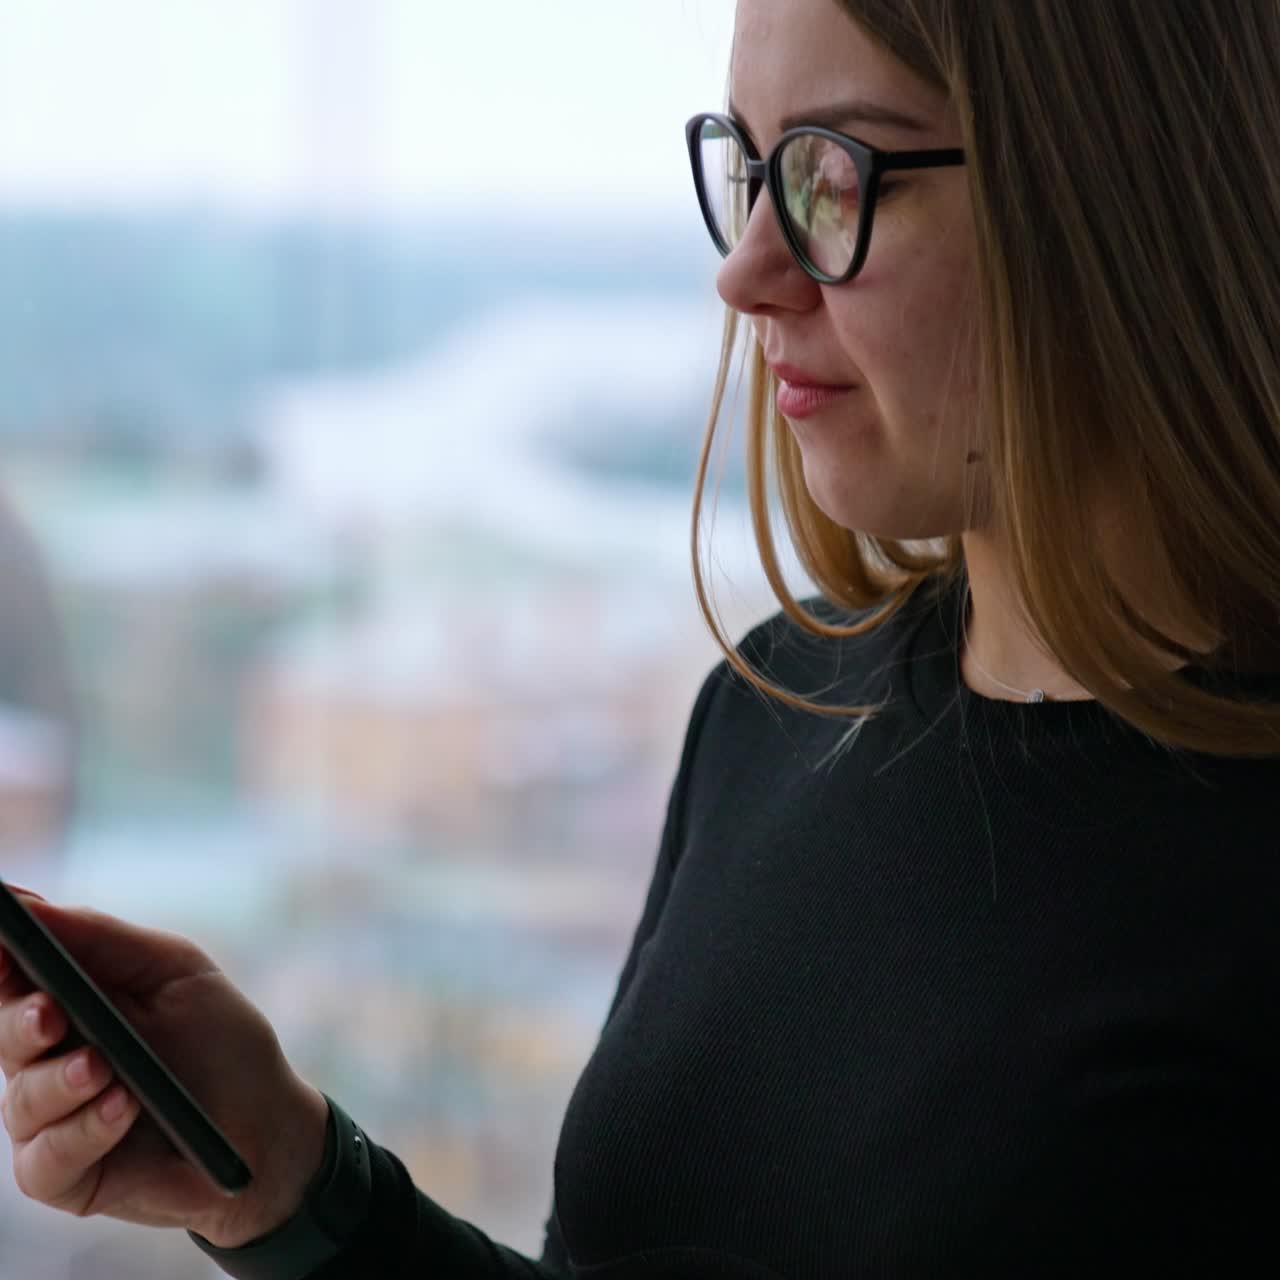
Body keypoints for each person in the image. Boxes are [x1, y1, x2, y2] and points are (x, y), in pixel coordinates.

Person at [4, 0, 1280, 1274]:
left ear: (1117, 197)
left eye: (833, 177)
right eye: (751, 165)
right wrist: (292, 1180)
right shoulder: (780, 700)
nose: (743, 272)